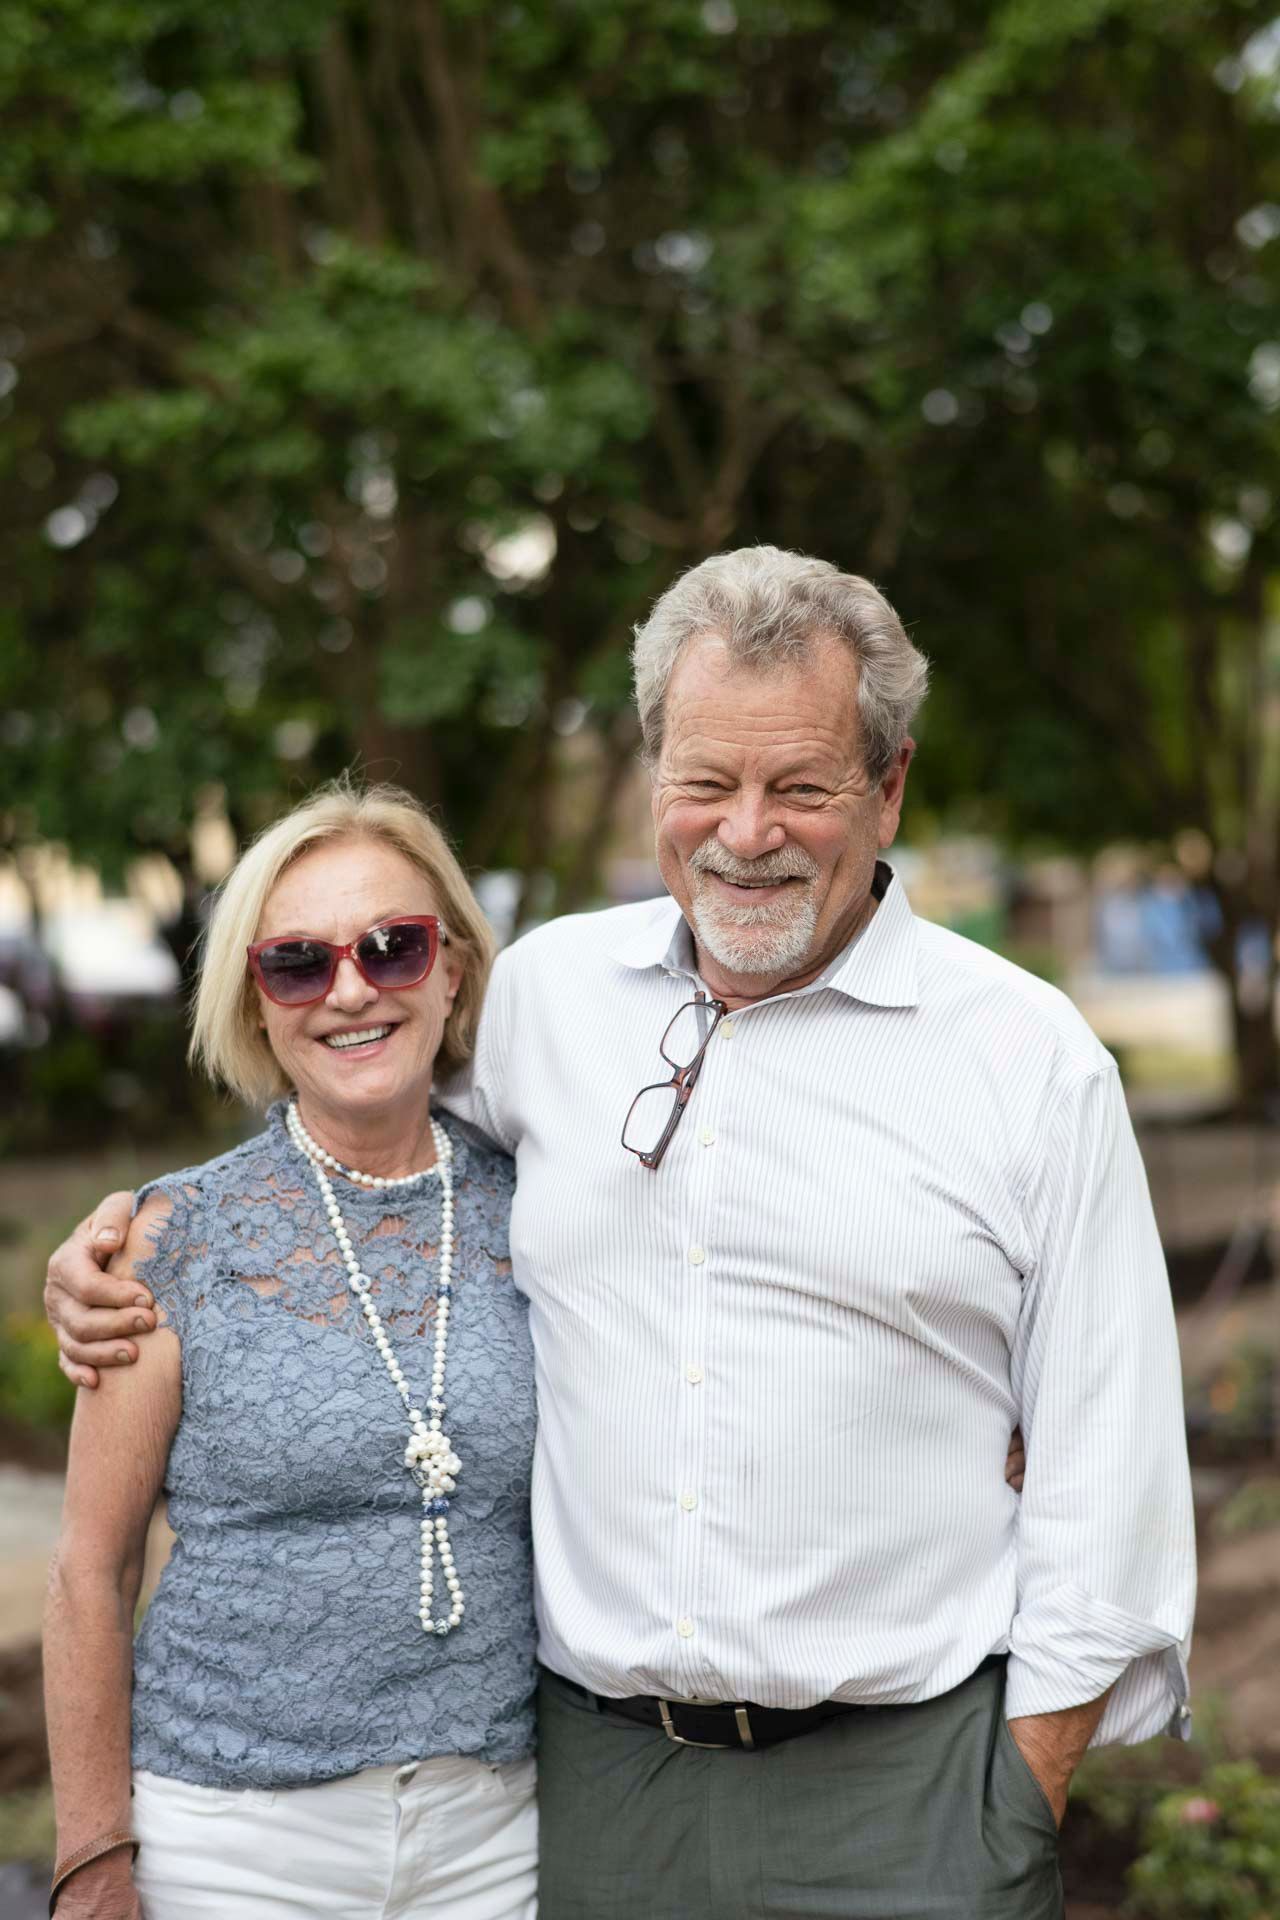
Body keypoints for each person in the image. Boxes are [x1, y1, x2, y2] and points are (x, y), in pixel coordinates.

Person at [47, 546, 1195, 1920]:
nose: (745, 833)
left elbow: (1109, 1469)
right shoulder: (548, 1000)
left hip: (909, 1788)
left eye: (801, 787)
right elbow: (359, 1113)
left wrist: (1015, 1800)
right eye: (705, 780)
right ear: (654, 775)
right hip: (598, 1795)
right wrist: (133, 1235)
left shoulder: (1027, 1063)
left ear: (888, 787)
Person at [42, 784, 539, 1919]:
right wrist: (91, 1858)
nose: (351, 990)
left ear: (454, 970)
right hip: (230, 1847)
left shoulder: (542, 1208)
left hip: (497, 1838)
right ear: (256, 1005)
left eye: (392, 946)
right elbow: (90, 1570)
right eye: (298, 964)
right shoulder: (170, 1239)